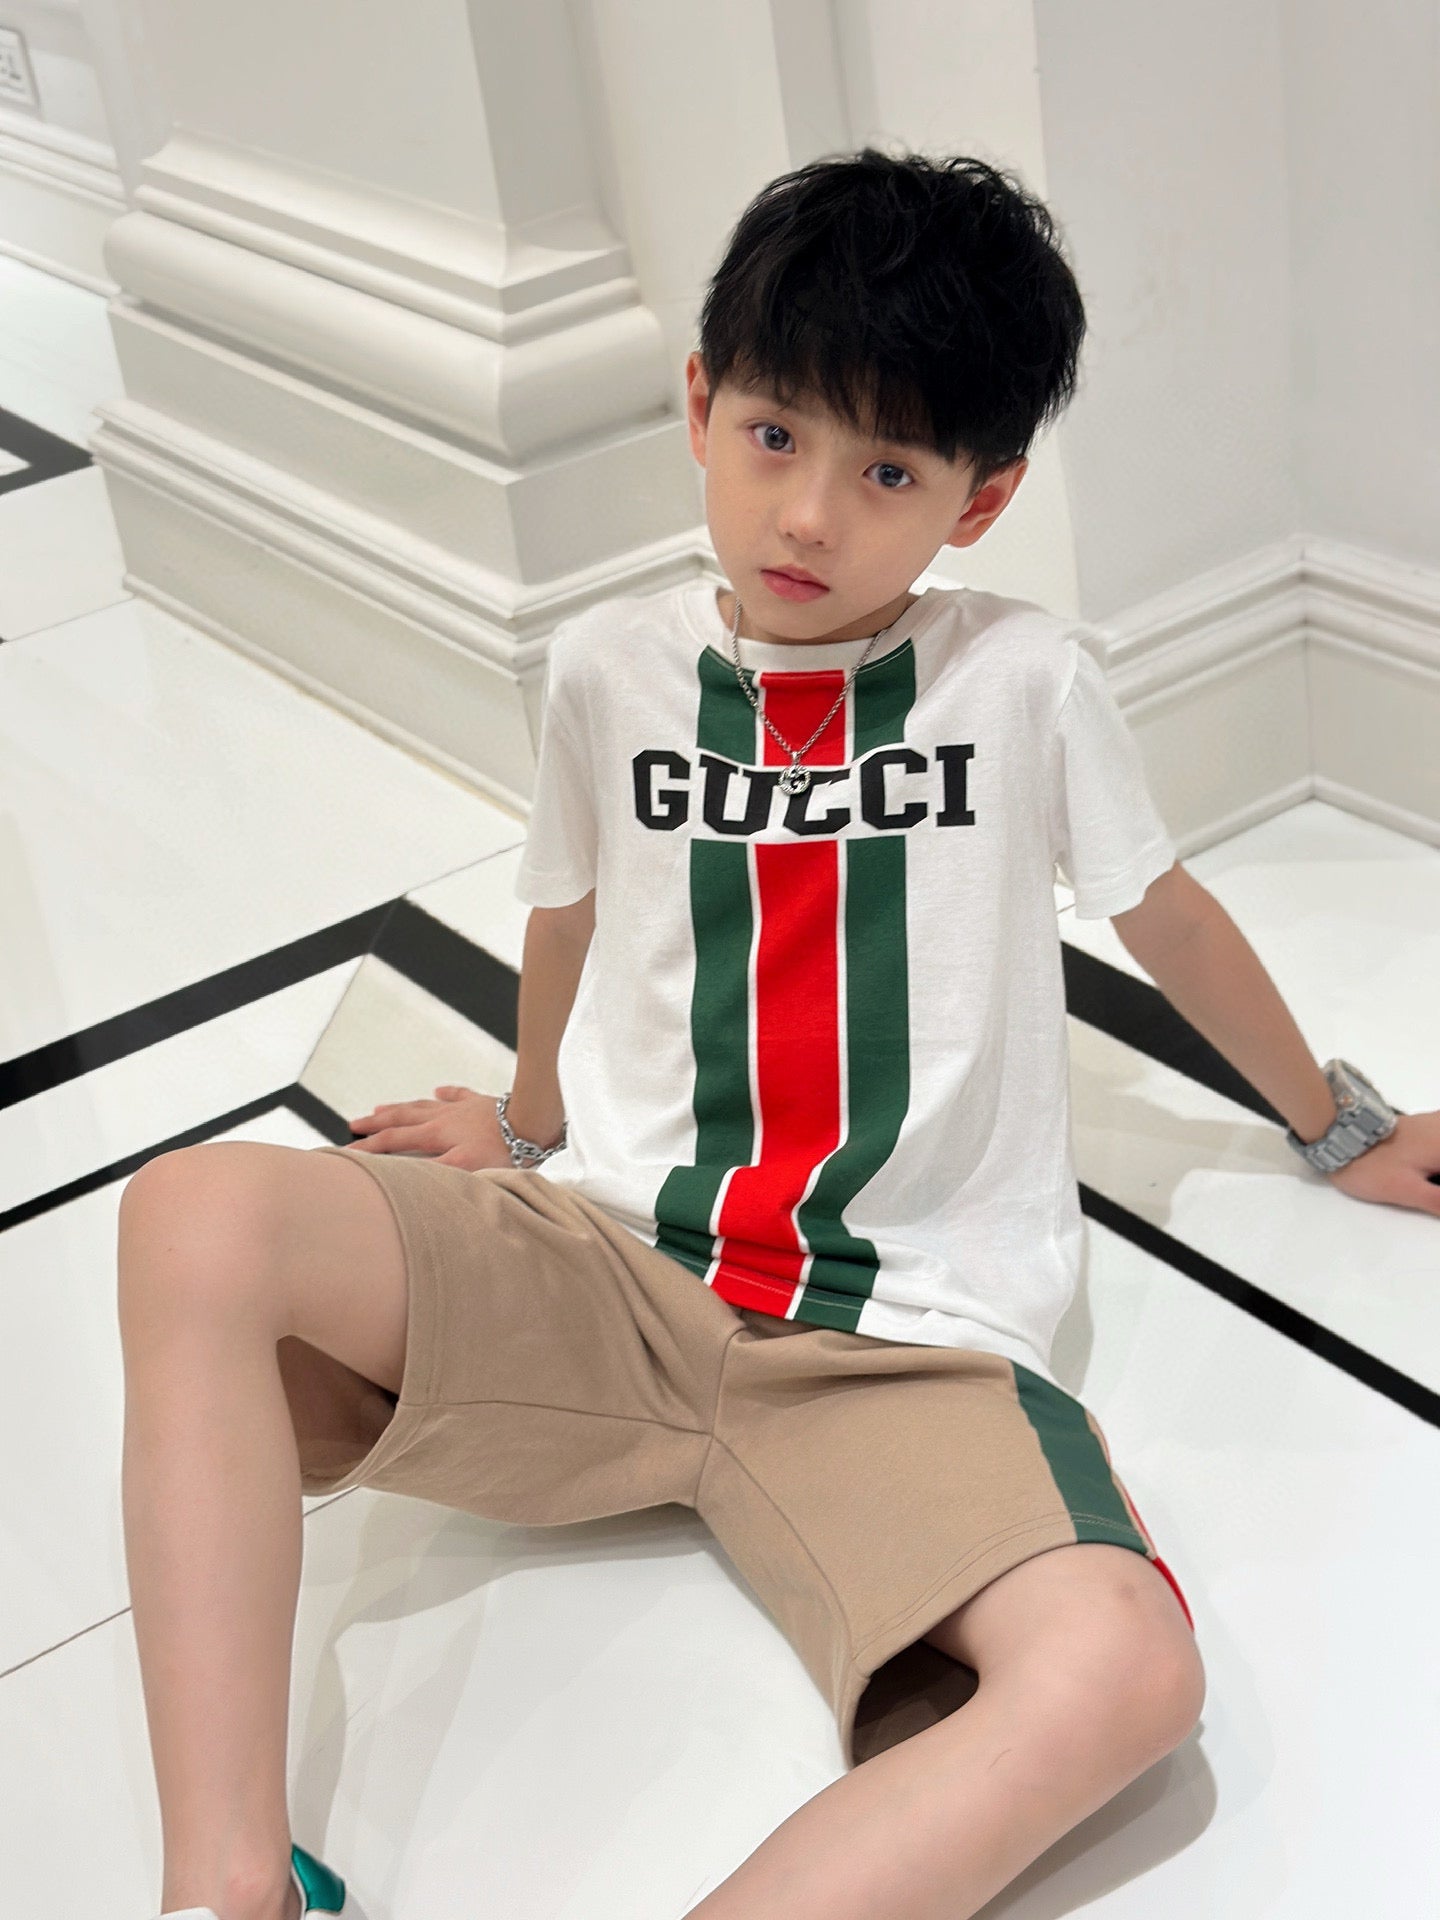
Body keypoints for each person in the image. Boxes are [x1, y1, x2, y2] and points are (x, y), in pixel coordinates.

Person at [118, 147, 1440, 1920]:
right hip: (615, 1266)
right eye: (772, 436)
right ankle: (227, 1889)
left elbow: (1167, 916)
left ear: (980, 500)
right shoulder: (609, 666)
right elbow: (569, 911)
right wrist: (524, 1126)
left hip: (908, 1345)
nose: (810, 515)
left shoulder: (1022, 681)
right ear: (699, 407)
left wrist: (1339, 1126)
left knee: (1124, 1671)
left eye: (888, 470)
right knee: (192, 1213)